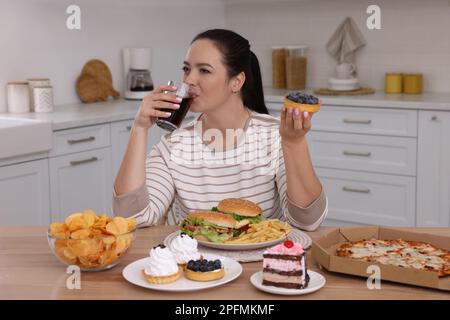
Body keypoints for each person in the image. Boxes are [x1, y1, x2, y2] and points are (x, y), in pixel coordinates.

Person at [113, 29, 327, 231]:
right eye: (186, 69)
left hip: (265, 265)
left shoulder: (274, 136)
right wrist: (139, 129)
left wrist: (294, 143)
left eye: (204, 70)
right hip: (197, 264)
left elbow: (307, 221)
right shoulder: (174, 144)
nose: (189, 80)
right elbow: (133, 219)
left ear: (237, 82)